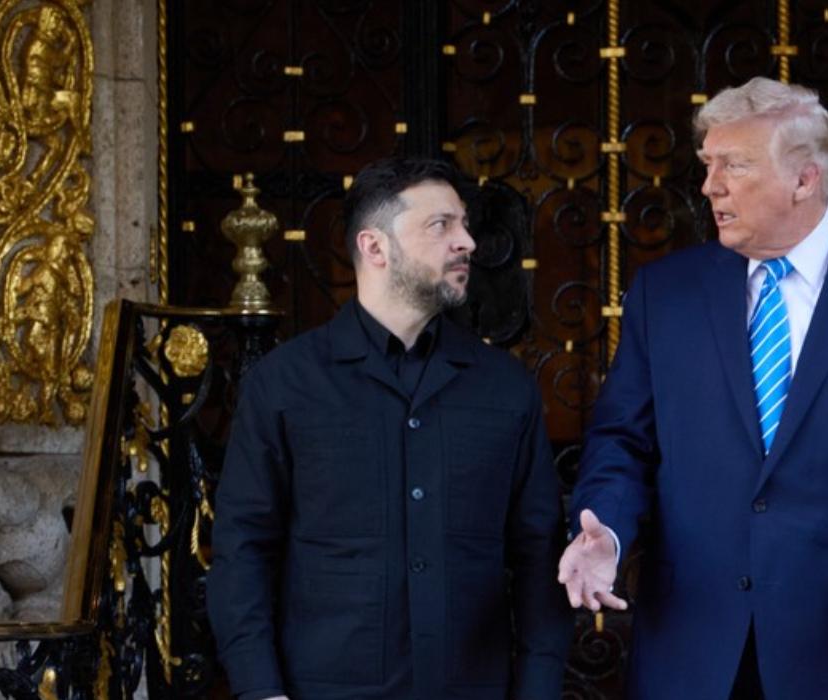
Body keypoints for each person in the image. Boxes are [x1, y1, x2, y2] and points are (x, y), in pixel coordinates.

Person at [557, 77, 828, 699]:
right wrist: (605, 530)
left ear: (804, 179)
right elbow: (621, 442)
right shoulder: (664, 295)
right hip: (694, 651)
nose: (711, 185)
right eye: (709, 164)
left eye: (734, 165)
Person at [208, 157, 574, 700]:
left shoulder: (505, 388)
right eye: (441, 225)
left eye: (464, 223)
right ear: (375, 247)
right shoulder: (284, 385)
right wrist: (260, 690)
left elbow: (539, 556)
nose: (467, 242)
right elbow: (243, 550)